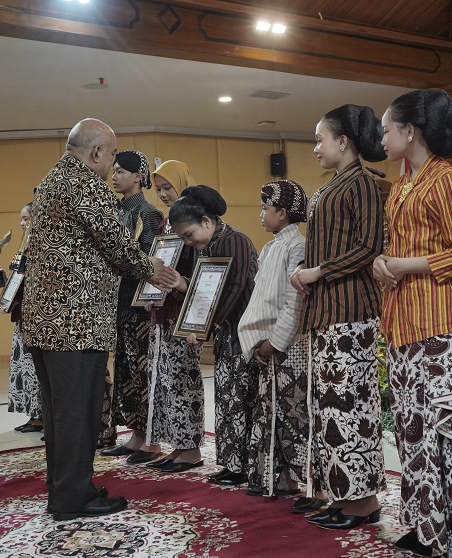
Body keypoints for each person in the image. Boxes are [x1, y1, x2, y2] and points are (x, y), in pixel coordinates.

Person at [22, 118, 166, 520]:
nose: (111, 167)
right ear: (97, 152)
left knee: (59, 414)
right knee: (78, 415)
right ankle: (72, 501)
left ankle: (68, 488)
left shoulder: (52, 179)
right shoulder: (85, 183)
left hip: (46, 322)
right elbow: (117, 246)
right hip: (76, 324)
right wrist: (153, 268)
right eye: (111, 157)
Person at [374, 89, 452, 558]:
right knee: (411, 431)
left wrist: (402, 265)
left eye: (386, 129)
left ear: (410, 131)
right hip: (402, 324)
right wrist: (384, 263)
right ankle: (426, 526)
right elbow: (397, 253)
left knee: (439, 431)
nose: (381, 137)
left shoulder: (446, 180)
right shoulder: (400, 185)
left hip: (435, 323)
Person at [290, 104, 387, 530]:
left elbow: (368, 247)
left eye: (319, 139)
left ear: (342, 141)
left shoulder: (363, 183)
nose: (315, 147)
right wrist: (305, 272)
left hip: (351, 312)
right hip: (328, 312)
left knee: (351, 407)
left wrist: (317, 271)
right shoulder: (332, 185)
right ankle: (344, 494)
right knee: (330, 409)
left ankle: (363, 502)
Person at [165, 185, 258, 486]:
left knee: (242, 400)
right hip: (224, 335)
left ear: (206, 221)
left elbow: (236, 289)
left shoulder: (237, 241)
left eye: (188, 235)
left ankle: (245, 466)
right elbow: (207, 292)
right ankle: (231, 464)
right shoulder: (210, 247)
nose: (188, 243)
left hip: (242, 337)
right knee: (225, 400)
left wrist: (206, 326)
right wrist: (183, 284)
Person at [238, 180, 321, 504]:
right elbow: (262, 300)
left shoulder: (296, 246)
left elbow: (294, 302)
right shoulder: (272, 246)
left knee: (295, 416)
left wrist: (275, 342)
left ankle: (309, 485)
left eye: (265, 208)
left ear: (283, 212)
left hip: (290, 348)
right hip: (269, 346)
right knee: (272, 412)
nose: (260, 214)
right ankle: (281, 480)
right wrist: (262, 341)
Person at [99, 150, 164, 464]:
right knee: (125, 373)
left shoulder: (147, 213)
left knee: (142, 373)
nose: (115, 176)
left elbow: (150, 262)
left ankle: (150, 440)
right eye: (113, 171)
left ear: (138, 176)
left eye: (121, 171)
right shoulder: (115, 210)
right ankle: (136, 437)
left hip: (140, 307)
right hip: (119, 304)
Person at [144, 160, 205, 473]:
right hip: (165, 309)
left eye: (168, 186)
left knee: (184, 379)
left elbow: (203, 267)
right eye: (159, 189)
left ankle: (190, 448)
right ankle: (176, 444)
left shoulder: (194, 216)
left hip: (185, 309)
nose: (164, 194)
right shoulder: (167, 223)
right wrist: (150, 292)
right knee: (166, 380)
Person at [7, 202, 42, 435]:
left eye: (26, 219)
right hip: (22, 315)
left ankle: (41, 415)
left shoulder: (40, 247)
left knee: (34, 368)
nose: (22, 223)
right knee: (23, 368)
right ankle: (32, 414)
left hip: (35, 316)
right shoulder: (25, 246)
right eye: (21, 219)